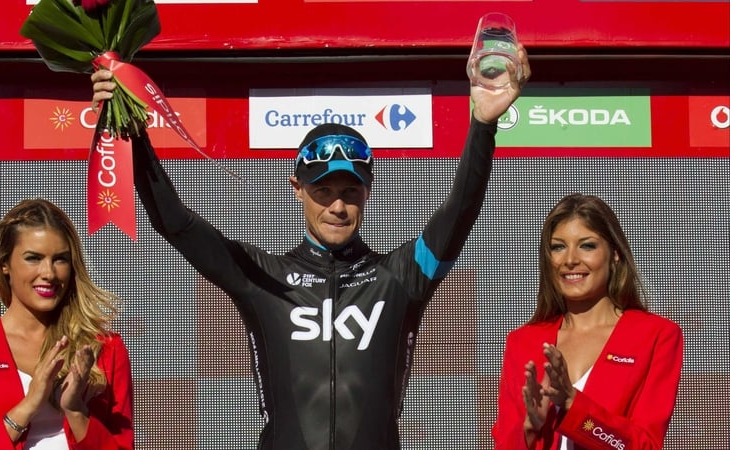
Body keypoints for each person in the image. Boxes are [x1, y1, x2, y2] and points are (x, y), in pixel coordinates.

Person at [90, 44, 530, 449]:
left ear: (369, 191)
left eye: (350, 190)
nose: (338, 206)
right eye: (323, 190)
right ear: (296, 188)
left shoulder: (400, 277)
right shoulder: (262, 278)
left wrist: (483, 124)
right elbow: (177, 225)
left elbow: (461, 211)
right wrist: (133, 133)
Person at [0, 199, 134, 450]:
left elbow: (122, 445)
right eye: (33, 258)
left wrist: (76, 411)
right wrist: (27, 407)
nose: (48, 273)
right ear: (5, 264)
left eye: (60, 259)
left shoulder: (105, 348)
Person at [491, 194, 684, 450]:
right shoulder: (522, 341)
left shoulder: (657, 335)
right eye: (558, 247)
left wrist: (572, 404)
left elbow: (645, 445)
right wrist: (530, 427)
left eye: (587, 245)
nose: (570, 259)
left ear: (614, 254)